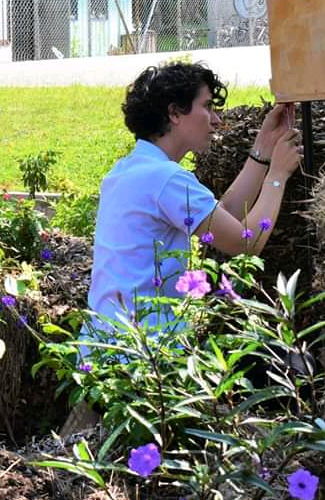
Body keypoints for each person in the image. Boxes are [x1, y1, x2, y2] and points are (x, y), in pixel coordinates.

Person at [88, 61, 302, 329]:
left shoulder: (128, 171)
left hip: (105, 343)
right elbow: (244, 242)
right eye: (207, 106)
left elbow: (224, 216)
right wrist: (277, 176)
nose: (216, 119)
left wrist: (264, 147)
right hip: (144, 352)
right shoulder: (166, 178)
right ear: (175, 113)